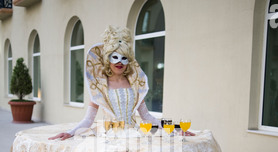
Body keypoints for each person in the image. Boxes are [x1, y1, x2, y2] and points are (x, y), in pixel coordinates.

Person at [49, 25, 194, 141]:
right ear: (108, 59)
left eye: (124, 58)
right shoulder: (100, 86)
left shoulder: (134, 84)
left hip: (134, 137)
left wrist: (176, 128)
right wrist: (69, 133)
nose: (119, 62)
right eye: (115, 57)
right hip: (109, 139)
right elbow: (88, 119)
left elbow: (147, 117)